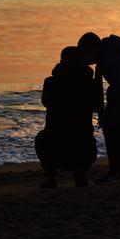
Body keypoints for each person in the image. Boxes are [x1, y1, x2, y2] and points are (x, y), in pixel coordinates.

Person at [78, 32, 120, 183]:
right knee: (116, 134)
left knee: (116, 135)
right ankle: (117, 171)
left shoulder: (110, 59)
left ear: (93, 49)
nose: (86, 60)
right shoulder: (109, 54)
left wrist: (107, 111)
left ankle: (117, 171)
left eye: (86, 54)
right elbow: (100, 89)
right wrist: (104, 111)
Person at [35, 45, 103, 188]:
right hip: (82, 143)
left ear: (61, 61)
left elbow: (46, 102)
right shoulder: (90, 83)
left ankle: (51, 178)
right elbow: (97, 106)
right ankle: (80, 173)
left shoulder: (51, 82)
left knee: (41, 140)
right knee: (88, 143)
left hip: (55, 142)